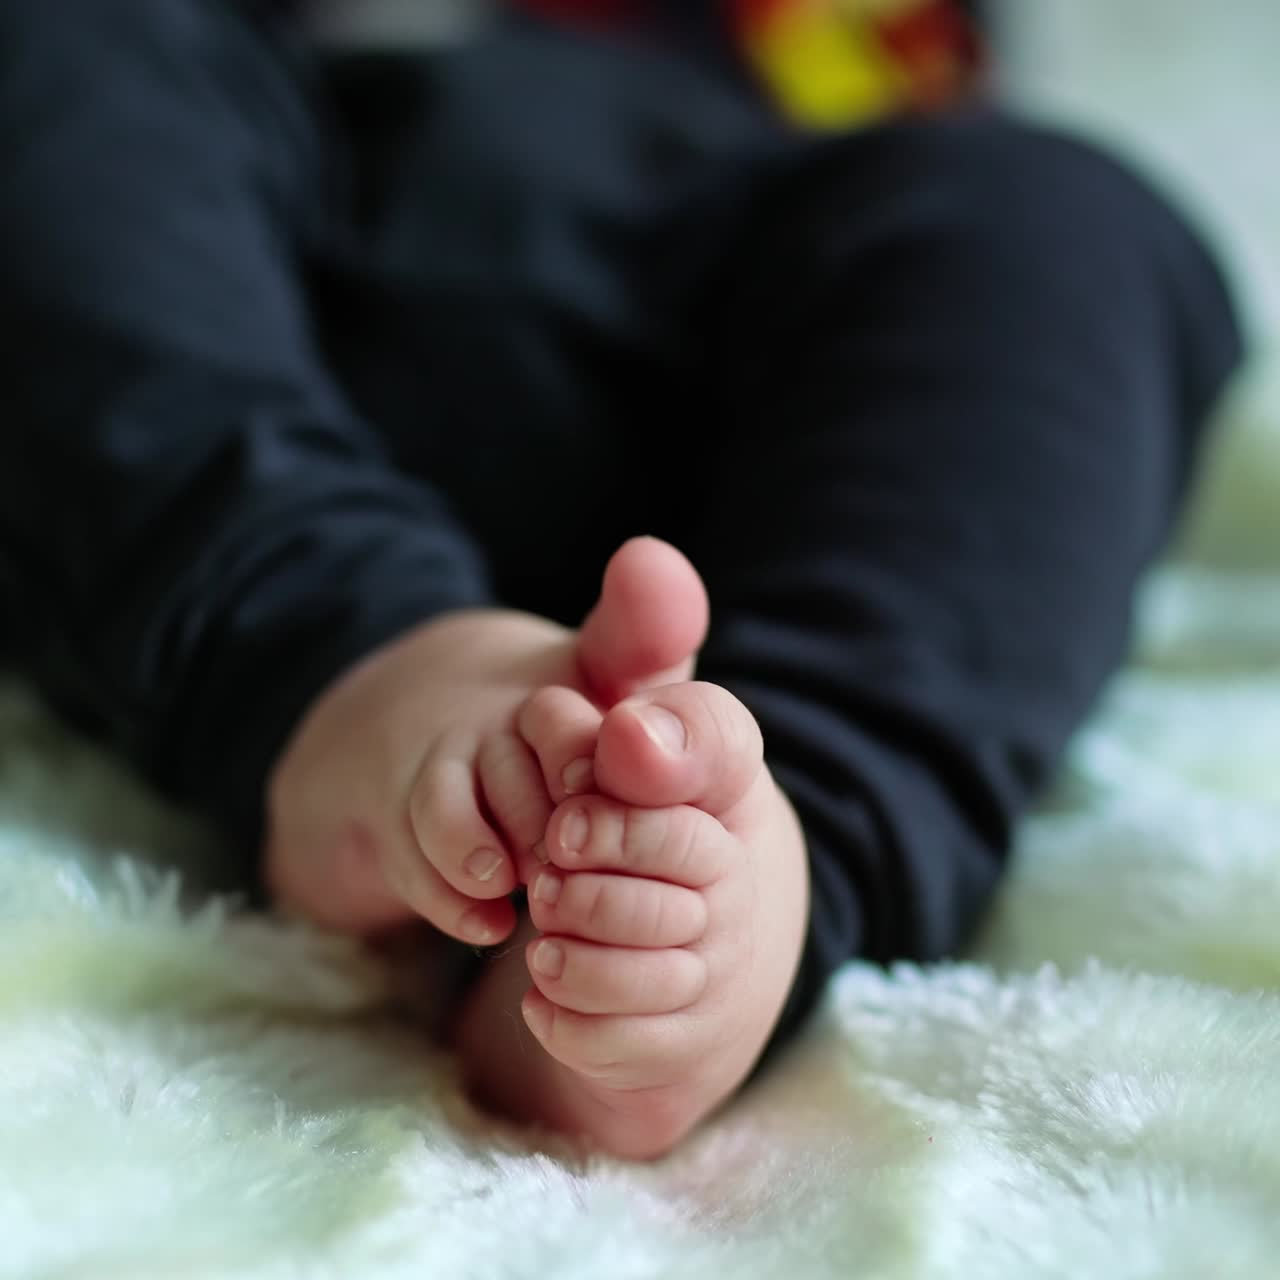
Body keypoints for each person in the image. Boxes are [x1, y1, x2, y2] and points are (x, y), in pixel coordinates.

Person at [0, 0, 1242, 1160]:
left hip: (748, 323)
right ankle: (345, 665)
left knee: (1054, 209)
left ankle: (745, 858)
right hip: (257, 264)